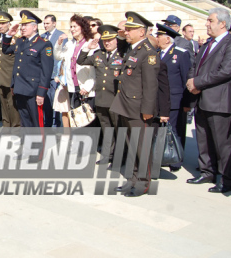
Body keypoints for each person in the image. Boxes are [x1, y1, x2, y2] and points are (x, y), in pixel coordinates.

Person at [186, 8, 231, 193]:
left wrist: (197, 82)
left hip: (219, 102)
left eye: (210, 20)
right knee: (203, 139)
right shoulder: (207, 44)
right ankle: (207, 172)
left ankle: (227, 179)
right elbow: (195, 65)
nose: (206, 24)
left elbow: (225, 72)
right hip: (201, 99)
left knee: (223, 144)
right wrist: (191, 81)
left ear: (222, 24)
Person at [110, 12, 160, 197]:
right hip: (126, 105)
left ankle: (143, 182)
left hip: (138, 108)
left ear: (142, 31)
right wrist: (122, 35)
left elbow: (150, 85)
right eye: (126, 29)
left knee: (141, 146)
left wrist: (147, 110)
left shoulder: (148, 53)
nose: (126, 32)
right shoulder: (135, 49)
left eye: (130, 29)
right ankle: (132, 178)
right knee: (131, 145)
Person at [76, 25, 122, 164]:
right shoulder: (98, 54)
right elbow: (81, 61)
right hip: (101, 99)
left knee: (119, 129)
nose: (107, 43)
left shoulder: (122, 55)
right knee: (106, 128)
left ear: (116, 40)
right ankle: (107, 155)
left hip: (116, 99)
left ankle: (120, 156)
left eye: (110, 40)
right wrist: (87, 48)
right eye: (105, 40)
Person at [2, 10, 54, 128]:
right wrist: (9, 35)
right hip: (20, 89)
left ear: (34, 27)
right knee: (25, 120)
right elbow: (5, 50)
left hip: (33, 91)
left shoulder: (44, 44)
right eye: (22, 25)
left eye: (25, 25)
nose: (22, 28)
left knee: (36, 121)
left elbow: (46, 71)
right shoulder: (20, 41)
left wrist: (41, 93)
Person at [155, 23, 192, 171]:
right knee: (160, 129)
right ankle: (162, 156)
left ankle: (176, 159)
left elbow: (186, 79)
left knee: (174, 130)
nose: (157, 38)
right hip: (159, 99)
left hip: (175, 99)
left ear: (167, 39)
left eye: (159, 36)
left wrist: (187, 102)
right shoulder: (157, 54)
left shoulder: (180, 54)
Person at [54, 15, 97, 128]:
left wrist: (87, 87)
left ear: (83, 28)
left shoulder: (91, 43)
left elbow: (93, 67)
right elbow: (58, 56)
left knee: (88, 120)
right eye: (71, 27)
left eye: (75, 26)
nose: (72, 29)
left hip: (86, 88)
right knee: (78, 120)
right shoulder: (70, 44)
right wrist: (59, 43)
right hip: (73, 88)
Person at [42, 14, 65, 127]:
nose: (45, 25)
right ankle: (48, 123)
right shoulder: (42, 36)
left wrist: (59, 75)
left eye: (47, 23)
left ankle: (56, 124)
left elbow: (62, 57)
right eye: (44, 23)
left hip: (55, 76)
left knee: (55, 102)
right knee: (46, 102)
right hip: (44, 75)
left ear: (54, 23)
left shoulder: (61, 36)